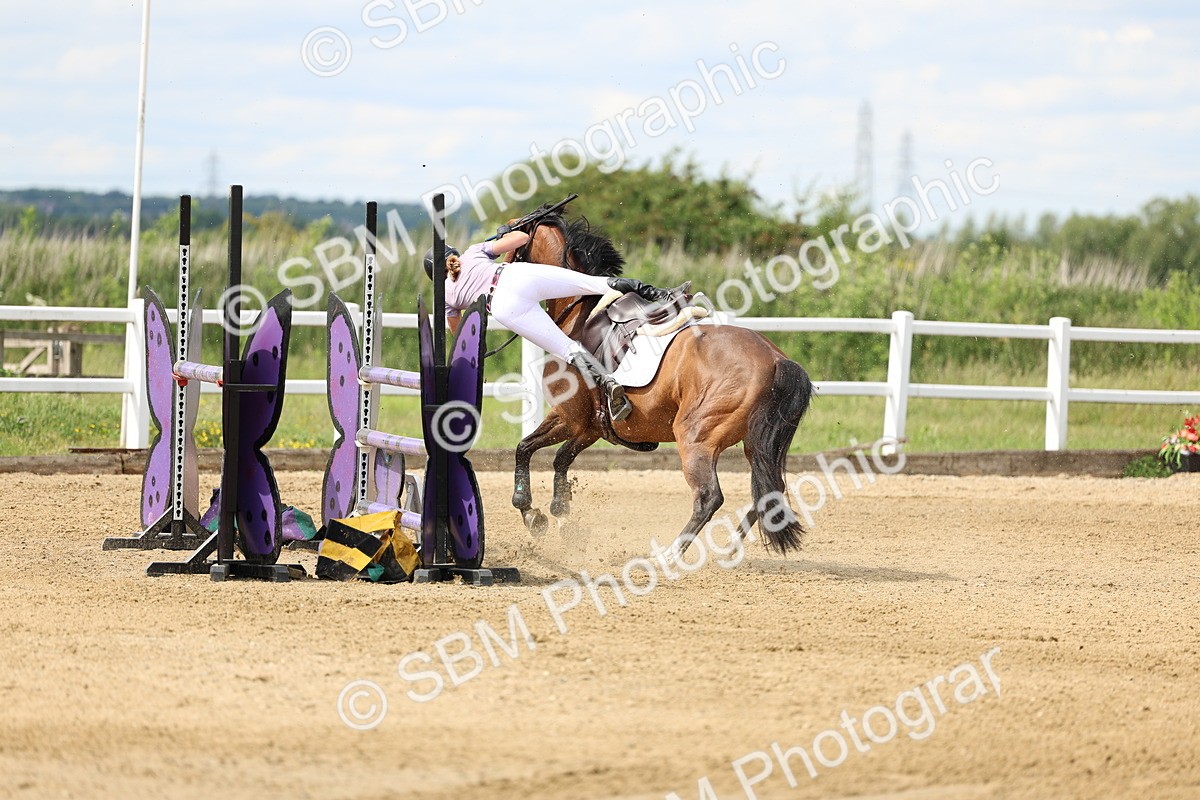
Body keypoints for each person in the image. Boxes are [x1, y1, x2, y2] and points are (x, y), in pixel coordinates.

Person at [423, 229, 672, 422]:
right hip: (516, 276)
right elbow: (522, 238)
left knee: (567, 349)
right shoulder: (472, 252)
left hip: (504, 306)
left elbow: (465, 336)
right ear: (452, 253)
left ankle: (610, 386)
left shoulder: (444, 297)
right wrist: (501, 235)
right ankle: (662, 295)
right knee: (594, 283)